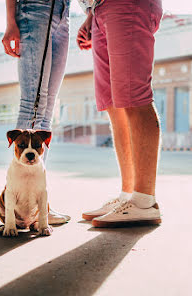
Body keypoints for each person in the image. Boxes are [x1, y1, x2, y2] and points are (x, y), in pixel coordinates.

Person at [77, 0, 164, 227]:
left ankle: (144, 202)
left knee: (135, 99)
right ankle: (128, 197)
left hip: (127, 4)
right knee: (114, 105)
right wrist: (90, 14)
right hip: (98, 8)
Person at [2, 0, 71, 224]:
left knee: (47, 109)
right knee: (34, 103)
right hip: (35, 8)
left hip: (64, 12)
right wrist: (10, 20)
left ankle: (36, 207)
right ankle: (17, 208)